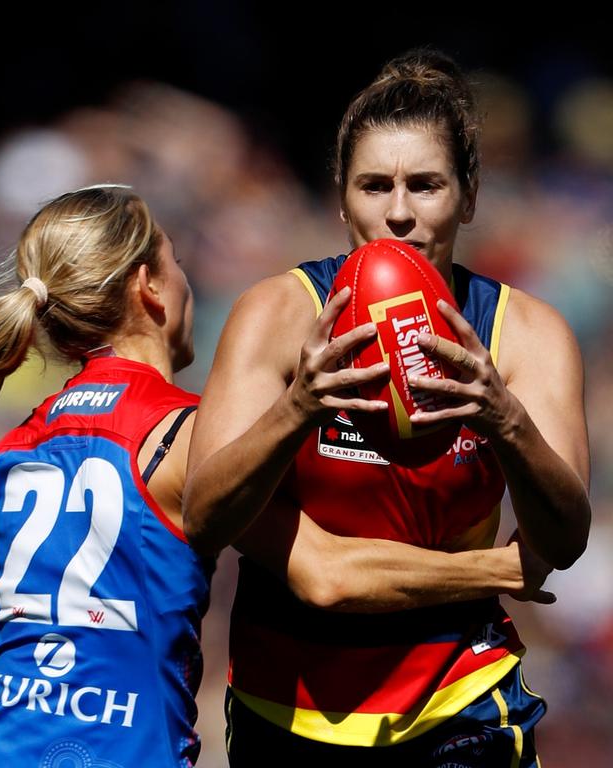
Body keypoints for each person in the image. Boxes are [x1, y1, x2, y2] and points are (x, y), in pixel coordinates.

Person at [0, 185, 556, 767]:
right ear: (150, 289)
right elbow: (323, 572)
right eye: (173, 260)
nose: (185, 279)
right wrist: (495, 569)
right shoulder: (182, 438)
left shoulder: (27, 439)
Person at [184, 50, 591, 767]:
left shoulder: (524, 332)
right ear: (342, 201)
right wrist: (298, 410)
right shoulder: (278, 315)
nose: (398, 213)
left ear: (468, 198)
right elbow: (207, 519)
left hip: (462, 696)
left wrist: (506, 419)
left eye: (425, 185)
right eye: (375, 186)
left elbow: (561, 543)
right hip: (288, 707)